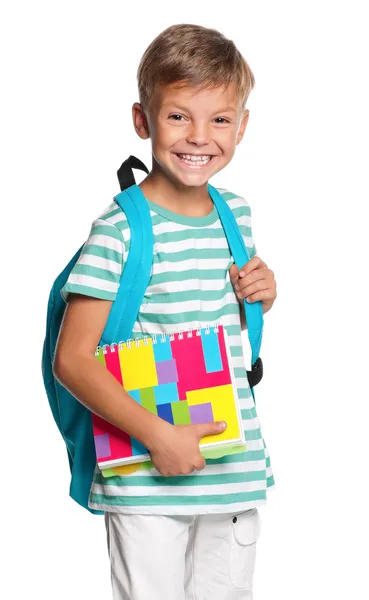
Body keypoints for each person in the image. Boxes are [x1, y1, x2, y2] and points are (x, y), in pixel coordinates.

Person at [53, 23, 277, 600]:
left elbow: (214, 323)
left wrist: (262, 294)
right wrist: (159, 436)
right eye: (179, 116)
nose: (199, 136)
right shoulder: (121, 227)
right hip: (148, 474)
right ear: (142, 120)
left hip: (233, 467)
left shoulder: (237, 215)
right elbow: (73, 360)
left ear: (243, 126)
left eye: (220, 119)